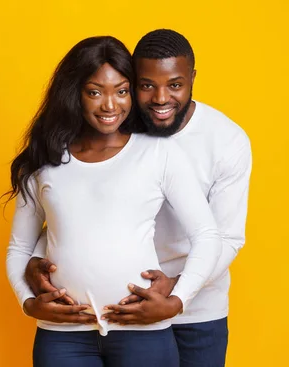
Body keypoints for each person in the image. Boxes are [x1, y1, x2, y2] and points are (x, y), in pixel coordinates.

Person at [24, 29, 252, 367]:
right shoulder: (114, 123)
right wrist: (39, 260)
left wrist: (175, 293)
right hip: (116, 309)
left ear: (192, 78)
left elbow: (226, 237)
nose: (160, 99)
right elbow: (79, 207)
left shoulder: (226, 140)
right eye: (146, 85)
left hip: (196, 309)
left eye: (175, 85)